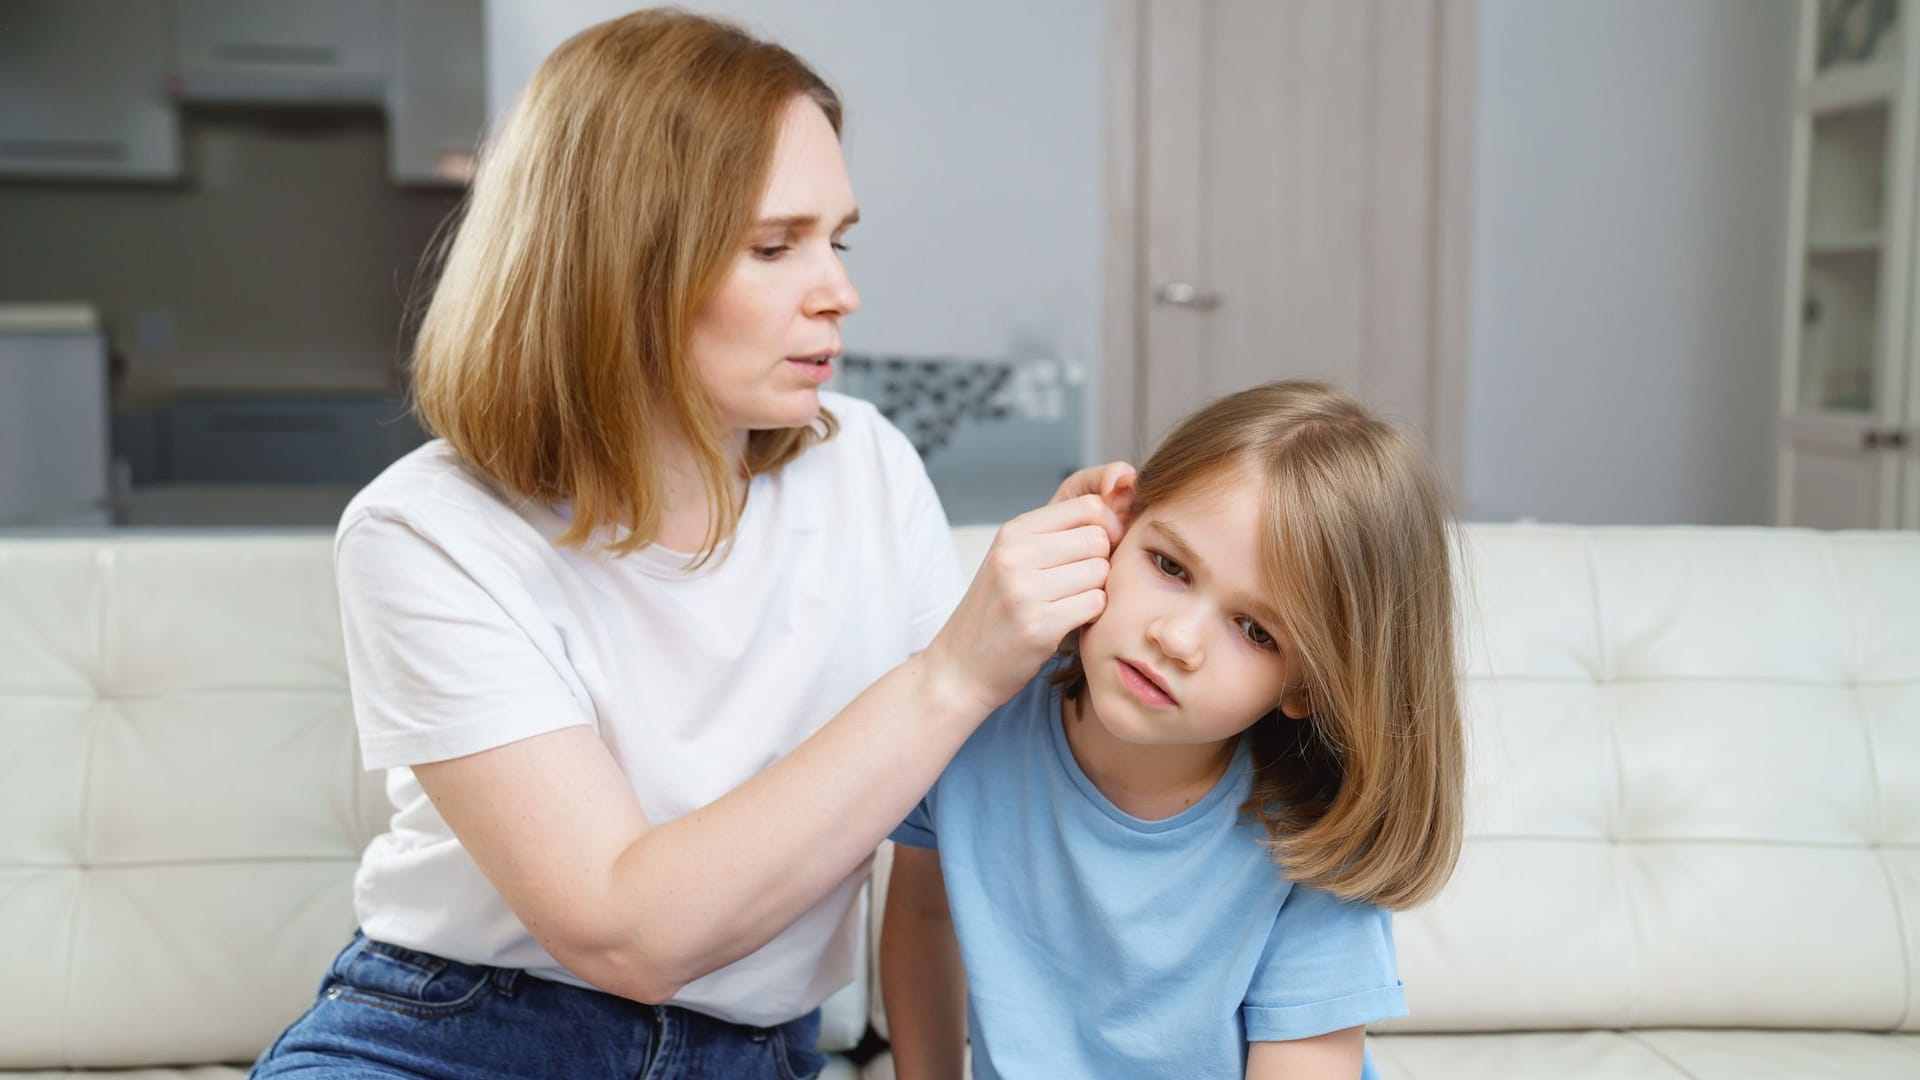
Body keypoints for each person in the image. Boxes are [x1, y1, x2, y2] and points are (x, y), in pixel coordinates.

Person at [250, 9, 1131, 1079]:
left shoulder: (864, 463)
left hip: (755, 1054)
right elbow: (624, 931)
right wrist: (955, 673)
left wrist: (1120, 606)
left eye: (837, 239)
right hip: (460, 1037)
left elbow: (974, 810)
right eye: (774, 246)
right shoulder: (425, 532)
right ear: (619, 268)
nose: (839, 291)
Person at [881, 380, 1466, 1080]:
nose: (1177, 639)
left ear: (1308, 687)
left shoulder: (1313, 839)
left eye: (1255, 631)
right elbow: (923, 915)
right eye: (1169, 566)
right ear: (1119, 526)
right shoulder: (974, 711)